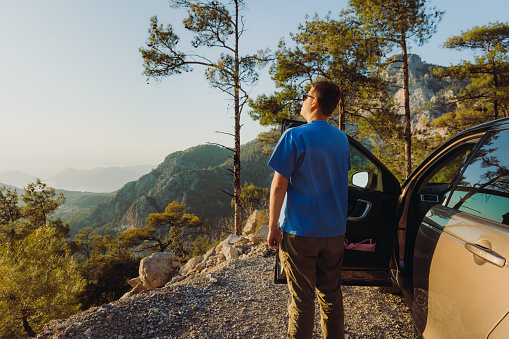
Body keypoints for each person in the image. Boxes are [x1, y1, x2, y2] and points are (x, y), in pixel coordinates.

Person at [267, 80, 351, 339]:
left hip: (300, 231)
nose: (302, 100)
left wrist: (272, 227)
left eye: (305, 96)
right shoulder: (342, 139)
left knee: (302, 301)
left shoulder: (294, 136)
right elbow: (337, 181)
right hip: (334, 233)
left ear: (314, 102)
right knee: (331, 296)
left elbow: (279, 185)